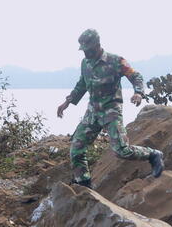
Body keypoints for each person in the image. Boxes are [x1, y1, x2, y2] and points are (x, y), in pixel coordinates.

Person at [56, 29, 164, 188]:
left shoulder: (115, 61)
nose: (86, 53)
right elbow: (81, 85)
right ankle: (85, 185)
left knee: (121, 150)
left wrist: (138, 93)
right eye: (83, 50)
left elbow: (135, 76)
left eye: (89, 50)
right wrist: (67, 102)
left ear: (97, 45)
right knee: (76, 149)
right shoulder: (85, 63)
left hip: (111, 111)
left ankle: (153, 154)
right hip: (92, 113)